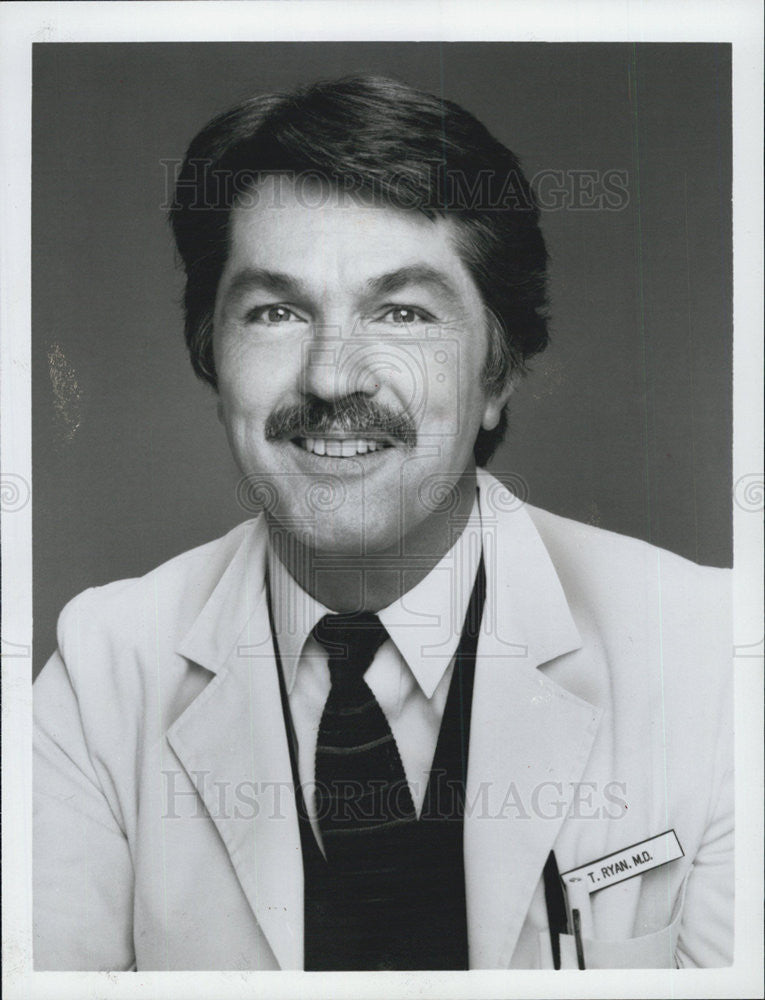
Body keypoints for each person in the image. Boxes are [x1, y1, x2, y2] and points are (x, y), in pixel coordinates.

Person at [33, 75, 732, 971]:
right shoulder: (105, 672)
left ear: (497, 372)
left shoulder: (714, 657)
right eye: (275, 312)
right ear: (211, 355)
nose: (332, 377)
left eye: (401, 312)